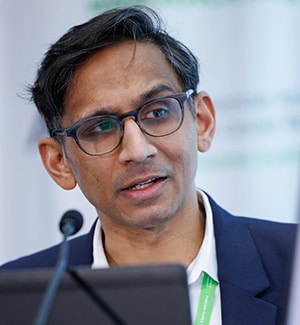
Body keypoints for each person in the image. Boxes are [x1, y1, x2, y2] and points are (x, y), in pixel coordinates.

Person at [0, 5, 297, 325]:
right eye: (100, 127)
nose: (137, 150)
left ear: (202, 121)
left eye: (157, 112)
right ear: (60, 162)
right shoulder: (17, 302)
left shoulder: (293, 264)